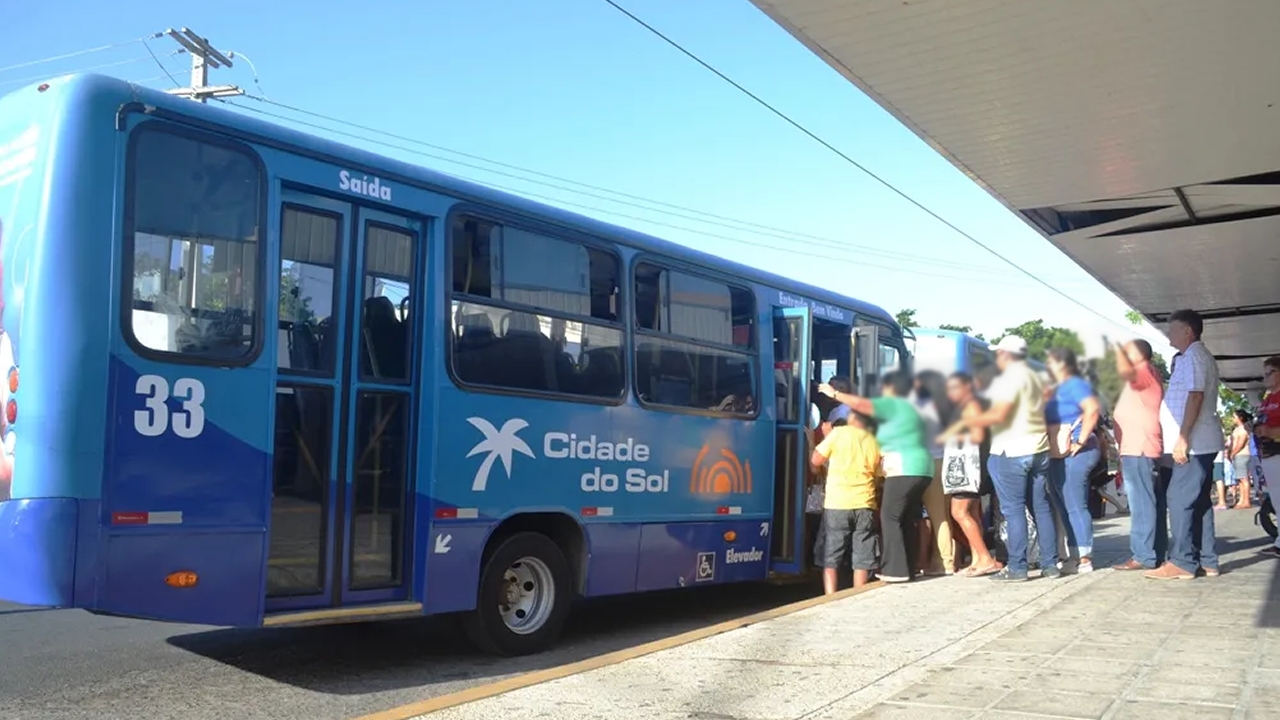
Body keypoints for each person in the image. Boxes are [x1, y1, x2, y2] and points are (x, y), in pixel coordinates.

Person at [939, 336, 1059, 582]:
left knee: (1013, 510)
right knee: (1041, 507)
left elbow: (1000, 413)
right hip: (1039, 448)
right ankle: (1050, 565)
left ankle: (1018, 567)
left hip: (1010, 450)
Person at [819, 371, 933, 583]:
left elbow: (860, 404)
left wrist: (834, 393)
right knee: (906, 518)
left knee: (890, 517)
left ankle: (895, 570)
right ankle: (908, 567)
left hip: (903, 467)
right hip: (923, 468)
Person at [1147, 309, 1223, 580]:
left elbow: (1195, 396)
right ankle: (1207, 559)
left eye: (1173, 329)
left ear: (1188, 331)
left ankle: (1181, 560)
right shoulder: (1194, 357)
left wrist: (1182, 436)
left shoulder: (1193, 357)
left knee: (1178, 499)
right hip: (1198, 440)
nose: (1169, 334)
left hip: (1193, 442)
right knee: (1199, 501)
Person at [1110, 339, 1167, 571]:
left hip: (1140, 446)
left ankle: (1144, 555)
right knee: (1144, 501)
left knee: (1141, 503)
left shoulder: (1143, 373)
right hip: (1135, 447)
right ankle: (1150, 551)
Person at [811, 410, 882, 592]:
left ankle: (830, 598)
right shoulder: (873, 439)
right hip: (865, 502)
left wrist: (823, 440)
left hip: (837, 503)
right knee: (862, 558)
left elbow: (816, 460)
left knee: (831, 557)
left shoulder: (838, 434)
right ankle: (858, 597)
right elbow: (879, 471)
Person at [1044, 347, 1102, 573]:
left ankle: (1085, 556)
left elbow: (1092, 408)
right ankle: (1075, 553)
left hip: (1076, 450)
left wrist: (1081, 440)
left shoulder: (1075, 385)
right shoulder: (1057, 389)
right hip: (1059, 451)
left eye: (1051, 362)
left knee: (1074, 503)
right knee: (1063, 504)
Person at [944, 372, 1001, 576]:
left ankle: (985, 557)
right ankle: (978, 559)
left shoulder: (970, 405)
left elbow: (976, 434)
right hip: (966, 466)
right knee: (972, 513)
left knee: (958, 512)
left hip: (966, 467)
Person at [912, 375, 956, 575]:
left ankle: (944, 563)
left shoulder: (918, 408)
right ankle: (944, 560)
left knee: (933, 516)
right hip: (941, 461)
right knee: (941, 515)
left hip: (924, 461)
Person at [1254, 357, 1280, 559]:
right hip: (1268, 454)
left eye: (1269, 373)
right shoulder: (1268, 398)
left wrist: (1271, 431)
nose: (1265, 378)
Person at [1226, 409, 1253, 509]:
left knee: (1244, 478)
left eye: (1234, 417)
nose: (1233, 419)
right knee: (1240, 479)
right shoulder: (1236, 429)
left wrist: (1232, 453)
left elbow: (1240, 444)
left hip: (1242, 455)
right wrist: (1229, 453)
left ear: (1240, 418)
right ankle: (1241, 500)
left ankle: (1246, 501)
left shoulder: (1243, 429)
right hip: (1237, 456)